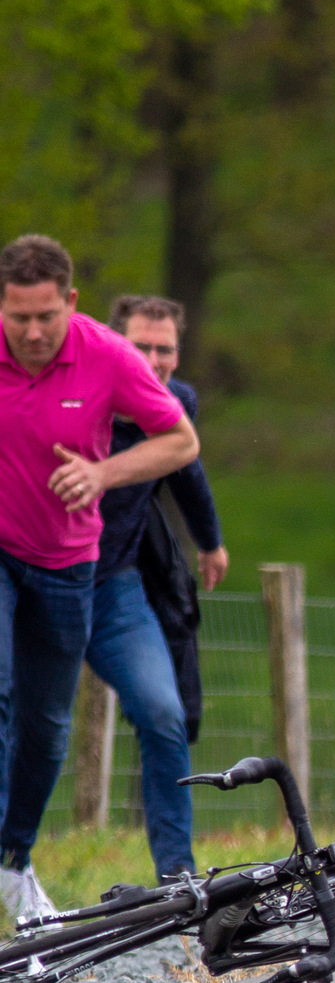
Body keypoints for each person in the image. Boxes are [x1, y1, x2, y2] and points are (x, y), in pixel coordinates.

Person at [0, 234, 199, 924]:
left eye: (44, 318)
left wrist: (102, 473)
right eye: (17, 317)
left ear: (71, 305)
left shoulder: (111, 363)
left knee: (54, 726)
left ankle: (19, 861)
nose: (30, 333)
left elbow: (184, 451)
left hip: (80, 571)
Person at [87, 294, 228, 880]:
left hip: (115, 588)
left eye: (164, 348)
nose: (151, 359)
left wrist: (210, 541)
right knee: (27, 723)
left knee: (163, 713)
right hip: (38, 582)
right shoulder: (79, 402)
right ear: (113, 346)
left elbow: (187, 471)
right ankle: (13, 863)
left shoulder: (175, 404)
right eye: (139, 346)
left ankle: (178, 876)